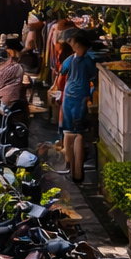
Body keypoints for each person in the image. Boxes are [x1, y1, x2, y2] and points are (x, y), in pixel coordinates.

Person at [54, 31, 99, 182]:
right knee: (75, 133)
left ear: (80, 46)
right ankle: (74, 170)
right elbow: (94, 79)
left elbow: (61, 74)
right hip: (77, 98)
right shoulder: (87, 61)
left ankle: (73, 169)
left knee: (73, 133)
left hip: (73, 97)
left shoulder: (75, 60)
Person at [0, 38, 29, 137]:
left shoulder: (5, 66)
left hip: (1, 99)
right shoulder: (19, 66)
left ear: (9, 50)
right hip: (13, 100)